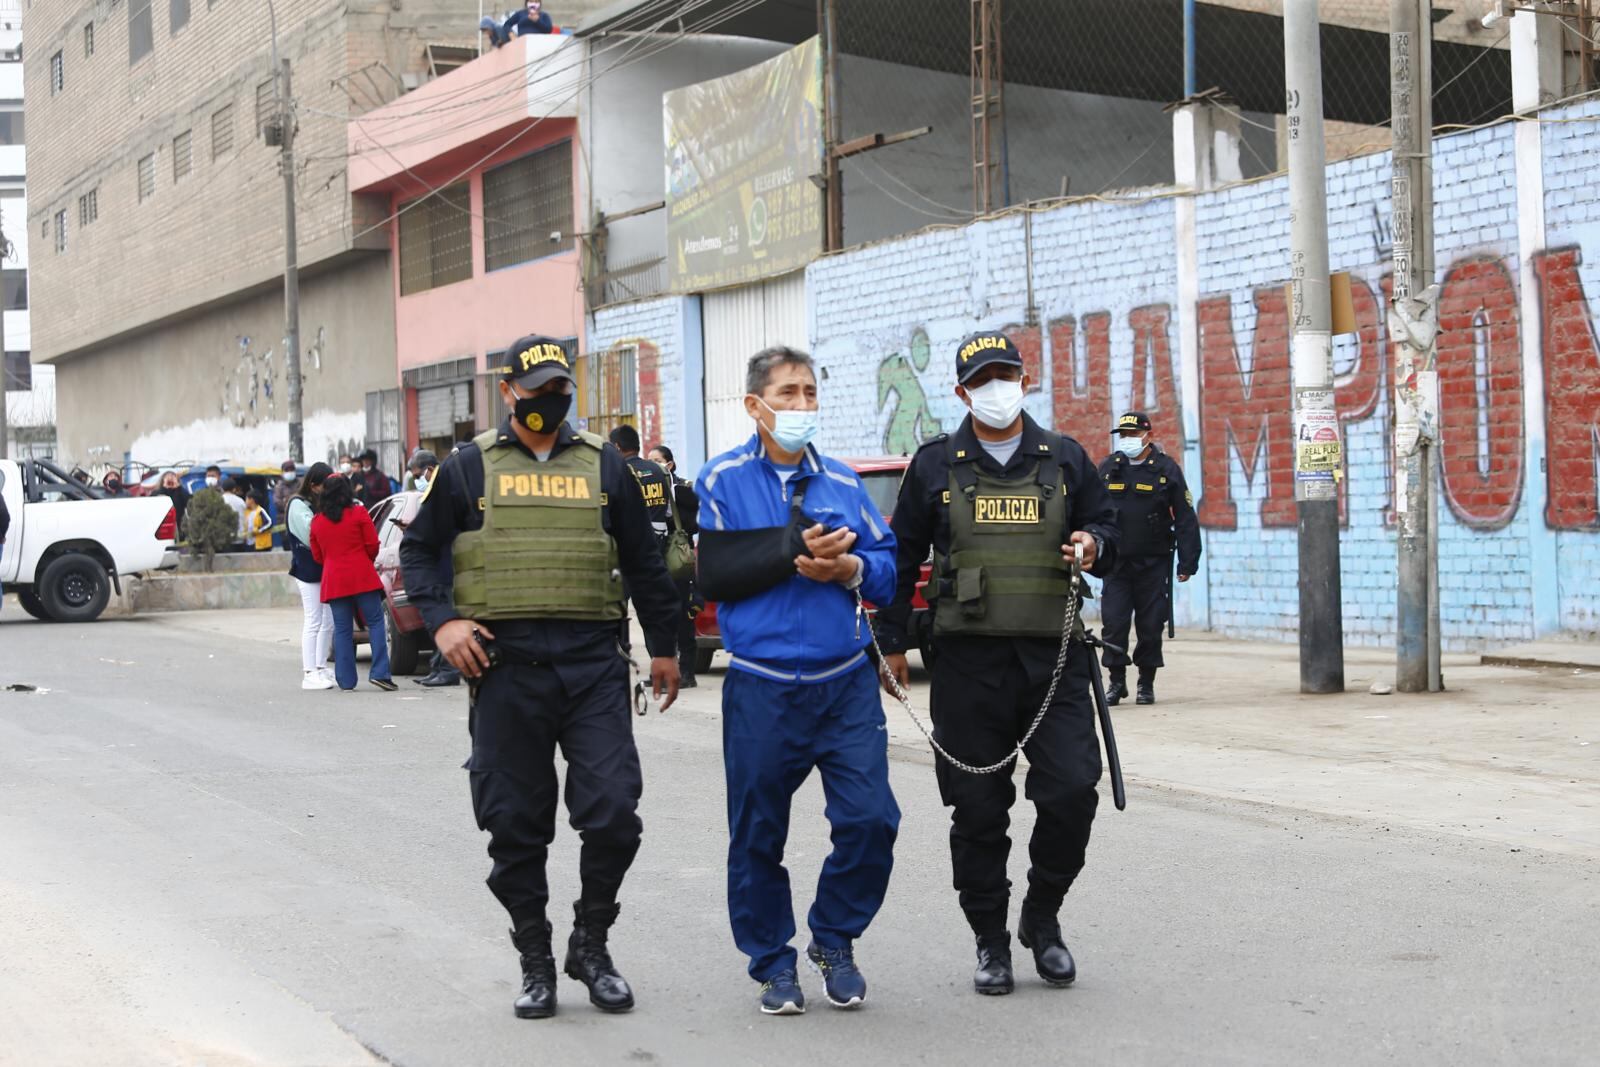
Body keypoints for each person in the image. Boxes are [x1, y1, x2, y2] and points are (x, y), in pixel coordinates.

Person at [398, 333, 681, 1021]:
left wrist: (667, 646)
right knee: (515, 825)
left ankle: (591, 942)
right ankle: (535, 956)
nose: (550, 401)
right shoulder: (467, 468)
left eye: (561, 387)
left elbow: (645, 562)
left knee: (614, 811)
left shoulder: (604, 465)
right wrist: (442, 623)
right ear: (508, 393)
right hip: (504, 667)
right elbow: (418, 551)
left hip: (592, 664)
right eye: (538, 390)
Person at [876, 331, 1120, 997]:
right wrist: (892, 644)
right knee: (978, 809)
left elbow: (1110, 528)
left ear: (1023, 378)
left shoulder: (1066, 459)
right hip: (967, 667)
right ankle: (989, 936)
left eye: (1005, 373)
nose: (996, 387)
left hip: (1055, 659)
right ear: (961, 392)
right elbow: (899, 561)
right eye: (982, 378)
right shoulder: (934, 466)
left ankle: (1041, 919)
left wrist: (1094, 543)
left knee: (1072, 790)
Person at [694, 346, 900, 1016]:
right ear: (755, 404)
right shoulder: (720, 480)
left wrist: (850, 572)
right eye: (788, 392)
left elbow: (888, 568)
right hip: (762, 685)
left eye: (811, 392)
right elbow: (716, 571)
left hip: (844, 684)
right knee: (757, 832)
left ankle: (834, 937)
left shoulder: (843, 481)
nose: (803, 405)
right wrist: (794, 553)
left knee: (872, 819)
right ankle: (772, 963)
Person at [1097, 412, 1202, 706]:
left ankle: (1146, 682)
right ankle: (1116, 682)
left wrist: (1188, 561)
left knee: (1150, 625)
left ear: (1147, 435)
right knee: (1114, 623)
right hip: (1116, 563)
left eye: (1132, 434)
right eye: (1123, 435)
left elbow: (1184, 517)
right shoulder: (1109, 468)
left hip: (1153, 564)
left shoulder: (1166, 469)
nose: (1127, 440)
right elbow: (1092, 511)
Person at [311, 475, 397, 692]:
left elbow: (318, 556)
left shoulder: (317, 521)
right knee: (376, 622)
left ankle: (346, 680)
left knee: (342, 629)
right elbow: (372, 544)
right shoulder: (359, 513)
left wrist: (334, 563)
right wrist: (362, 560)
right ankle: (380, 673)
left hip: (335, 580)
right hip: (362, 575)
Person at [607, 424, 674, 657]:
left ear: (617, 446)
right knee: (652, 603)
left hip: (626, 547)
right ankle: (661, 655)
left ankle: (619, 654)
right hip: (659, 543)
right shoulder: (659, 471)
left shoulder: (617, 472)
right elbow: (668, 512)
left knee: (618, 605)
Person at [649, 443, 702, 688]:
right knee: (659, 617)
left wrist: (674, 495)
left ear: (669, 464)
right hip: (657, 559)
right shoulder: (647, 490)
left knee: (683, 616)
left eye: (657, 460)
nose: (652, 465)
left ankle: (687, 673)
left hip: (678, 561)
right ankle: (662, 670)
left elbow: (694, 523)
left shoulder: (682, 489)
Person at [287, 463, 336, 691]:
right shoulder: (297, 505)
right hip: (307, 571)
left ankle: (320, 666)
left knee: (328, 621)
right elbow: (311, 534)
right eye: (324, 485)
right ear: (314, 484)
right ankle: (309, 672)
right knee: (314, 620)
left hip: (322, 570)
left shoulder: (315, 503)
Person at [480, 0, 553, 47]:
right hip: (522, 43)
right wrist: (511, 34)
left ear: (539, 3)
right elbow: (507, 24)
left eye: (536, 1)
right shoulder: (521, 13)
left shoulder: (544, 15)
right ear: (527, 3)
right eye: (531, 1)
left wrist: (538, 21)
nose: (533, 3)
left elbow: (548, 30)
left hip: (538, 43)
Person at [220, 476, 248, 549]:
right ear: (234, 489)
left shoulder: (219, 501)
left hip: (223, 538)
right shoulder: (241, 501)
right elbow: (245, 519)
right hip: (239, 537)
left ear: (222, 488)